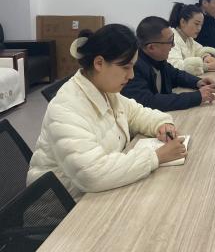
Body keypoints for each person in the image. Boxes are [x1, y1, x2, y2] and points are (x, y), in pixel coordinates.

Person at [27, 25, 187, 200]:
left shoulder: (106, 90)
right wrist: (156, 157)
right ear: (99, 63)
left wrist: (161, 124)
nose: (131, 75)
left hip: (96, 193)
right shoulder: (66, 107)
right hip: (61, 206)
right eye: (126, 67)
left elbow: (136, 113)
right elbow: (92, 174)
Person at [122, 16, 215, 111]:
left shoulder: (157, 59)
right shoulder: (133, 68)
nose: (173, 45)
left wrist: (198, 82)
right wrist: (197, 96)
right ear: (151, 47)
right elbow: (149, 101)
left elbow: (175, 75)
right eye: (170, 41)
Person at [168, 2, 215, 75]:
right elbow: (175, 67)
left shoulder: (188, 38)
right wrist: (206, 66)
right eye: (196, 24)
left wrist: (206, 57)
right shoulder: (171, 39)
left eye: (201, 25)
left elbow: (199, 50)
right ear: (183, 22)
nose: (199, 28)